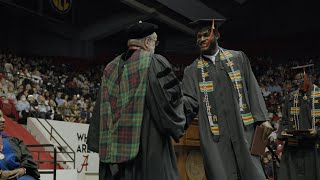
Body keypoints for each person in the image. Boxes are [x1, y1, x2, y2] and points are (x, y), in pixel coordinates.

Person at [87, 21, 193, 180]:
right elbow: (171, 103)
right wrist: (191, 105)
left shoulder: (109, 68)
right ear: (147, 42)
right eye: (155, 42)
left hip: (113, 154)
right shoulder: (153, 62)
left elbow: (99, 111)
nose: (155, 46)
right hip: (145, 150)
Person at [182, 18, 273, 180]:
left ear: (216, 34)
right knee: (220, 172)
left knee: (253, 172)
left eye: (205, 35)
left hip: (243, 128)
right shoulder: (192, 70)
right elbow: (188, 103)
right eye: (198, 37)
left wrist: (263, 119)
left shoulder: (238, 58)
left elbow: (252, 87)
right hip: (214, 136)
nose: (201, 39)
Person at [277, 64, 320, 180]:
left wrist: (317, 131)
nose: (298, 82)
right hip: (295, 147)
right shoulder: (291, 98)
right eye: (296, 80)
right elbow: (285, 121)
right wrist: (283, 132)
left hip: (314, 148)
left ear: (310, 78)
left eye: (301, 78)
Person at [0, 110, 40, 180]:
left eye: (3, 117)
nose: (3, 120)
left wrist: (23, 170)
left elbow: (28, 159)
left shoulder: (15, 141)